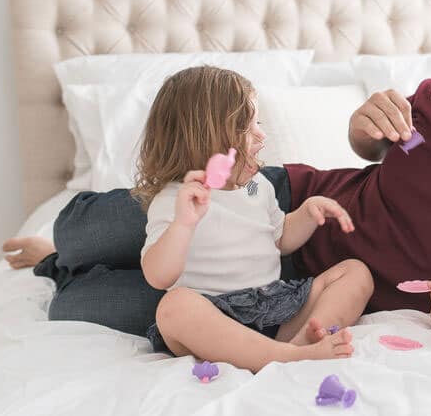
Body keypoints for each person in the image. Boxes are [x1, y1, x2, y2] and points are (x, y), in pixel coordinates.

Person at [4, 0, 431, 336]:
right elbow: (394, 160)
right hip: (276, 201)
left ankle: (60, 270)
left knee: (81, 302)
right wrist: (362, 133)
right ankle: (60, 245)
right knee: (86, 229)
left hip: (299, 293)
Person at [107, 66, 371, 372]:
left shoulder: (259, 188)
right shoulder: (176, 199)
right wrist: (184, 223)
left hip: (276, 307)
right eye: (246, 127)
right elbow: (158, 277)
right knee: (173, 307)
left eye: (257, 122)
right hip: (216, 321)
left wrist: (307, 214)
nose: (261, 134)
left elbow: (280, 239)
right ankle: (287, 357)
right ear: (205, 139)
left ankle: (294, 347)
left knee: (356, 272)